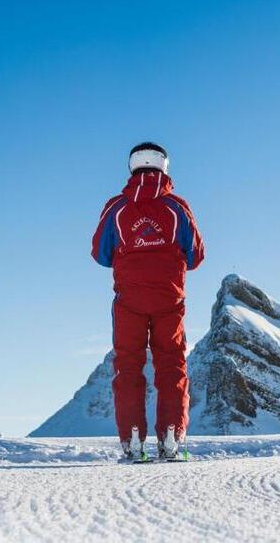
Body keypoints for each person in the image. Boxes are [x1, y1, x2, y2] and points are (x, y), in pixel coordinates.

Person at [91, 142, 204, 460]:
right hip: (170, 297)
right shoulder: (176, 206)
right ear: (164, 166)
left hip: (129, 300)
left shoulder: (116, 208)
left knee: (128, 365)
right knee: (172, 364)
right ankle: (171, 436)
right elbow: (196, 254)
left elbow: (99, 252)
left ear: (132, 166)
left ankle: (133, 439)